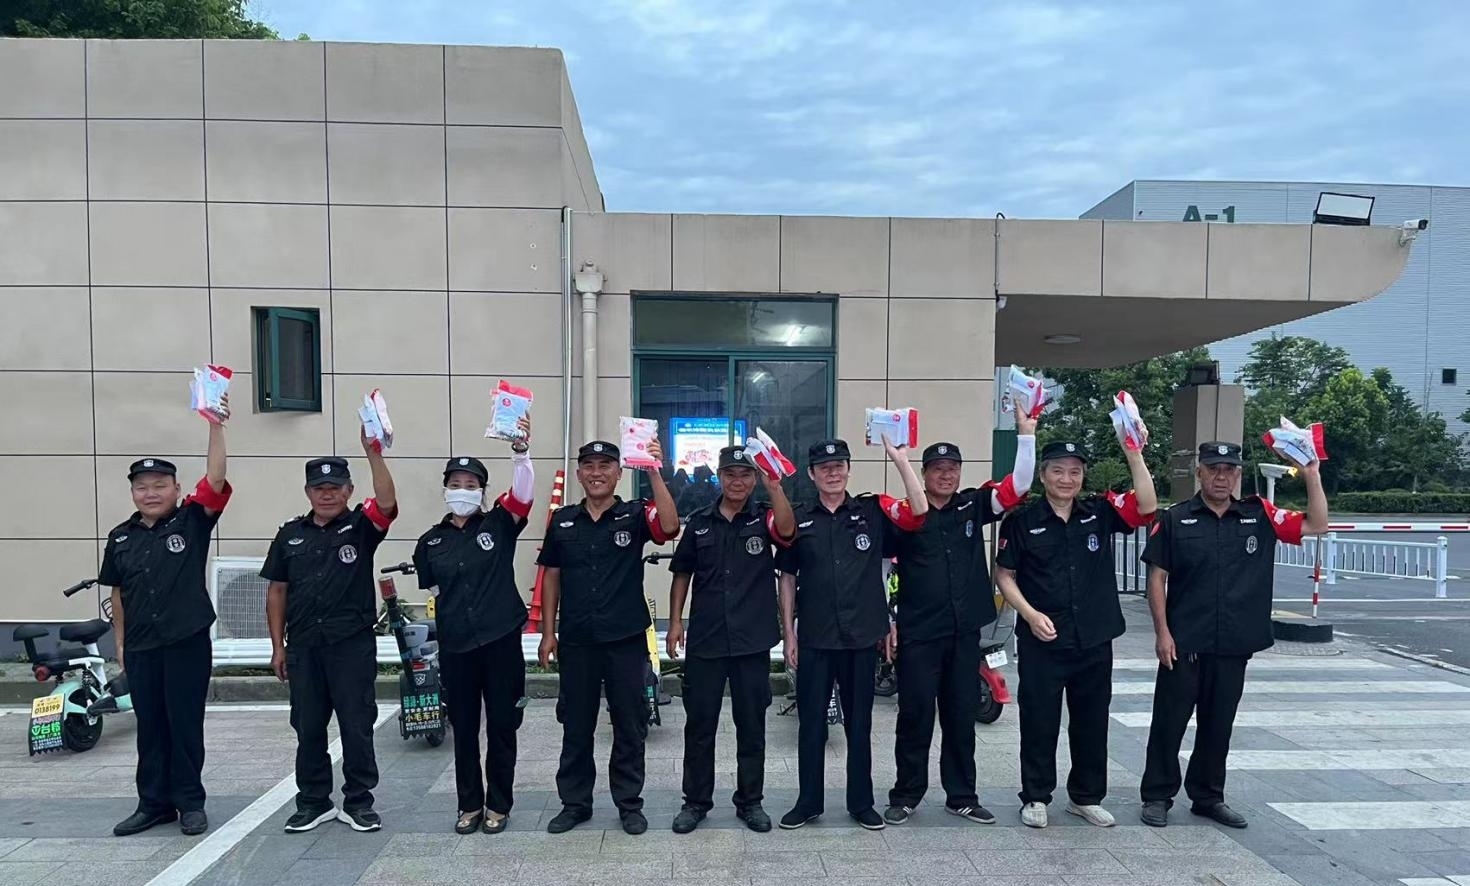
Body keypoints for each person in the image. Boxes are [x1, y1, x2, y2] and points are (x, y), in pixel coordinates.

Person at [1138, 441, 1328, 829]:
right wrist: (1162, 633)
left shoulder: (1260, 516)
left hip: (1233, 642)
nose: (1221, 477)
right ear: (1200, 473)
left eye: (1229, 470)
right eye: (1213, 469)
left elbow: (1317, 524)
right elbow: (1157, 578)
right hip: (1184, 643)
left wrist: (1311, 474)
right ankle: (1157, 795)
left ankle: (1208, 796)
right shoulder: (1176, 519)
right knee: (1169, 723)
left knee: (1218, 724)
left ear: (1238, 475)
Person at [882, 402, 1036, 827]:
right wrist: (887, 619)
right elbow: (883, 568)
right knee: (915, 716)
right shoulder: (906, 515)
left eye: (952, 468)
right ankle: (906, 795)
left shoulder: (974, 505)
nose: (946, 475)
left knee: (960, 716)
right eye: (937, 469)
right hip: (919, 633)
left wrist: (1026, 434)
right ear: (924, 473)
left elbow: (1021, 484)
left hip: (964, 631)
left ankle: (962, 796)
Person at [994, 435, 1157, 829]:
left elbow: (1147, 506)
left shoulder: (1100, 512)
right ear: (1043, 475)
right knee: (1040, 721)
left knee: (1091, 721)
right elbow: (1004, 575)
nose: (1066, 479)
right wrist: (1030, 614)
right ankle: (1035, 797)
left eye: (1074, 472)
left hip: (1094, 637)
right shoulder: (1022, 520)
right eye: (1058, 471)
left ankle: (1085, 797)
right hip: (1042, 640)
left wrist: (1134, 453)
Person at [776, 437, 928, 831]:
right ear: (811, 474)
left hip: (861, 637)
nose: (833, 473)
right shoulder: (799, 518)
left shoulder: (871, 512)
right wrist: (788, 634)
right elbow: (787, 578)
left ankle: (861, 803)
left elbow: (919, 512)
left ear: (848, 469)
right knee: (812, 725)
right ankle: (808, 803)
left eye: (839, 465)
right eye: (824, 468)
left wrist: (901, 460)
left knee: (859, 725)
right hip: (814, 637)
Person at [102, 399, 233, 838]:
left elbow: (216, 480)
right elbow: (118, 592)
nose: (151, 493)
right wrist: (121, 643)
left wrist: (215, 426)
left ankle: (190, 803)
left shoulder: (192, 521)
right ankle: (153, 804)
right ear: (133, 493)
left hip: (185, 642)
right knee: (150, 728)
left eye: (160, 485)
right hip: (141, 646)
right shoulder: (120, 538)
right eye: (142, 487)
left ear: (176, 489)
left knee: (184, 725)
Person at [536, 438, 679, 836]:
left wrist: (653, 471)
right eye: (589, 466)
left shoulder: (634, 515)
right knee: (576, 725)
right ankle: (575, 804)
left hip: (625, 640)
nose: (596, 473)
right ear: (579, 473)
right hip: (578, 640)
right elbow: (551, 576)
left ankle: (629, 804)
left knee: (630, 724)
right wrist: (548, 633)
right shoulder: (563, 521)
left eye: (605, 466)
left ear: (619, 473)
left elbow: (670, 526)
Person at [262, 429, 398, 834]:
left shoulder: (361, 527)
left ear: (349, 490)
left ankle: (359, 802)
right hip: (304, 647)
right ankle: (313, 802)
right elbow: (277, 591)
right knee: (307, 727)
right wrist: (277, 647)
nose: (327, 495)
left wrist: (373, 453)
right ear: (308, 492)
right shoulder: (290, 535)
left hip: (350, 646)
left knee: (356, 725)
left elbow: (387, 503)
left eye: (335, 488)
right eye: (319, 488)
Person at [666, 445, 797, 834]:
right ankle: (695, 802)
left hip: (751, 641)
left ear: (754, 479)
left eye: (745, 474)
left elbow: (788, 531)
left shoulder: (764, 518)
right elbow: (682, 574)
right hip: (706, 640)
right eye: (730, 474)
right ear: (719, 477)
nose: (737, 481)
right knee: (700, 726)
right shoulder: (699, 523)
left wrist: (775, 486)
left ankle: (750, 802)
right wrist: (676, 622)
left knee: (752, 726)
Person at [412, 415, 534, 835]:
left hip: (500, 641)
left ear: (482, 491)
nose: (462, 490)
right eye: (455, 484)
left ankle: (498, 804)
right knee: (464, 729)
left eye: (471, 485)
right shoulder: (430, 542)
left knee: (502, 725)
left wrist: (521, 453)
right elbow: (434, 589)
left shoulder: (499, 523)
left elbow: (523, 495)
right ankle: (469, 805)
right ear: (445, 489)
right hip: (456, 646)